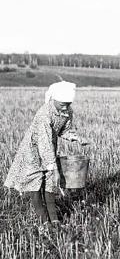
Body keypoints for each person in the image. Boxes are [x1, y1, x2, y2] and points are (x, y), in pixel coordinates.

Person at [4, 81, 89, 227]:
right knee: (36, 184)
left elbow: (63, 130)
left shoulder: (67, 111)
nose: (66, 106)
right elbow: (44, 143)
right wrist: (54, 168)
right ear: (53, 99)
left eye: (68, 103)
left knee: (50, 184)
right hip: (33, 151)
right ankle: (44, 221)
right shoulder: (44, 114)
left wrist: (75, 137)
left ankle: (54, 219)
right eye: (63, 103)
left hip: (50, 147)